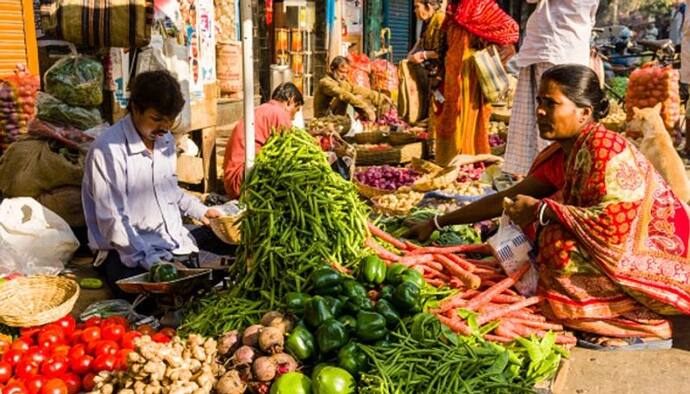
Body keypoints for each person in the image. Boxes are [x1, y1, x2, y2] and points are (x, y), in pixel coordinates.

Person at [408, 64, 690, 346]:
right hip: (613, 253)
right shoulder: (564, 153)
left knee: (556, 244)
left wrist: (543, 210)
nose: (540, 111)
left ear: (584, 112)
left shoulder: (605, 149)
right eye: (539, 102)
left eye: (551, 103)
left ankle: (634, 323)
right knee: (533, 237)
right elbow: (505, 200)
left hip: (659, 261)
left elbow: (616, 224)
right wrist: (435, 223)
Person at [82, 70, 231, 301]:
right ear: (135, 108)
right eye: (157, 118)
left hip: (172, 241)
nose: (166, 125)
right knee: (162, 300)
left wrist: (202, 212)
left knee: (236, 250)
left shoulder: (165, 140)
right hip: (127, 253)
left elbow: (170, 190)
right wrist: (153, 261)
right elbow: (113, 223)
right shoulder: (107, 150)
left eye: (171, 118)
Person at [503, 0, 598, 176]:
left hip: (551, 47)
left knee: (548, 120)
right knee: (560, 119)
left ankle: (548, 177)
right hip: (569, 47)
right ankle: (555, 175)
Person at [433, 0, 518, 166]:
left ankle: (469, 164)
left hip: (470, 75)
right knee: (449, 116)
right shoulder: (453, 9)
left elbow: (509, 28)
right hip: (452, 75)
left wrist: (489, 44)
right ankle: (447, 163)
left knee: (470, 117)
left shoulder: (481, 5)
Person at [223, 83, 304, 199]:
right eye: (296, 110)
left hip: (232, 178)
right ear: (289, 101)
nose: (294, 117)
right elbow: (290, 149)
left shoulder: (262, 109)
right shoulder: (279, 113)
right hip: (242, 180)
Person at [402, 0, 446, 123]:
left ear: (429, 6)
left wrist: (423, 55)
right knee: (432, 108)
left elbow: (442, 51)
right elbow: (420, 41)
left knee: (440, 105)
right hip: (431, 75)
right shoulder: (427, 22)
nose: (414, 11)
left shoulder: (440, 20)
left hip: (442, 76)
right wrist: (410, 55)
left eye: (417, 7)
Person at [313, 56, 391, 121]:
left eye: (346, 72)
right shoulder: (325, 83)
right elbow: (343, 94)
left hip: (336, 116)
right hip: (324, 119)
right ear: (332, 68)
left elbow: (357, 89)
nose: (344, 75)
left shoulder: (342, 82)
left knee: (357, 95)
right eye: (341, 72)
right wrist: (365, 107)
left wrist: (379, 97)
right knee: (349, 97)